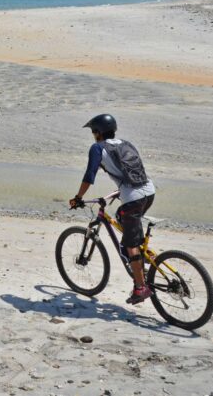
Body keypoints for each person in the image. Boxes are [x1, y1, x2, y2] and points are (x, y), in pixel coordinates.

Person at [70, 114, 157, 305]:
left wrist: (78, 198)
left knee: (129, 244)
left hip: (132, 197)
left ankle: (141, 287)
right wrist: (120, 191)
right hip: (149, 191)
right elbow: (133, 171)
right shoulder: (126, 143)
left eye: (93, 132)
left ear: (98, 132)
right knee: (122, 218)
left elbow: (89, 175)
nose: (93, 135)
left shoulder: (97, 148)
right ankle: (139, 258)